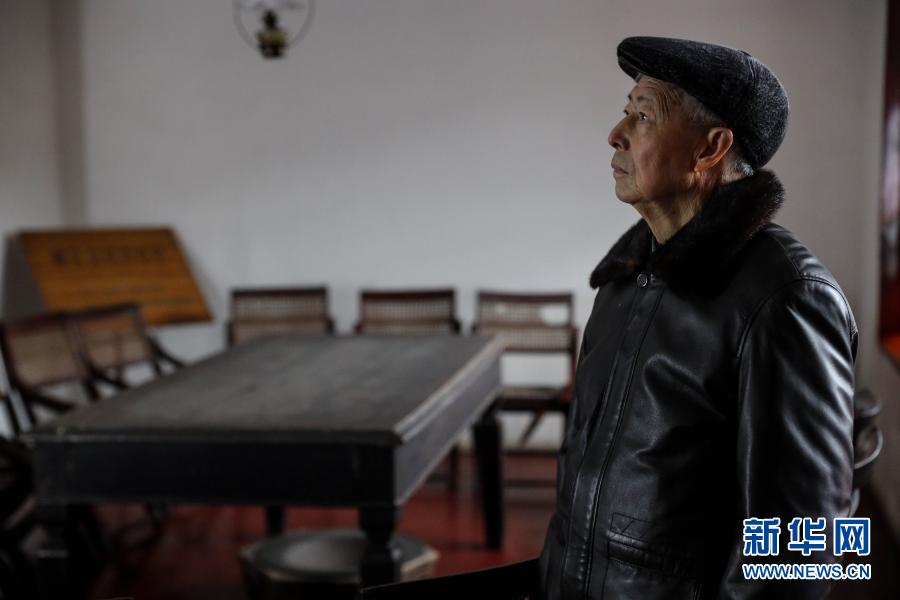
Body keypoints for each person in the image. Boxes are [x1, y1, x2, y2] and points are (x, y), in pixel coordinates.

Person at [537, 36, 858, 599]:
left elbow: (807, 551)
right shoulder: (622, 281)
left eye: (643, 116)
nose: (615, 133)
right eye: (626, 111)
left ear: (711, 148)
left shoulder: (787, 298)